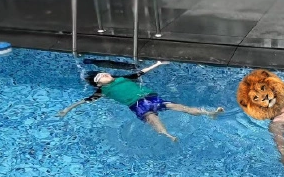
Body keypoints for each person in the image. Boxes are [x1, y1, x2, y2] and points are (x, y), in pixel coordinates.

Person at [58, 61, 224, 142]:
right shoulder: (102, 91)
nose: (105, 74)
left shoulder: (122, 78)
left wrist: (157, 64)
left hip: (150, 97)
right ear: (98, 84)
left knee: (176, 106)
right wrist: (67, 109)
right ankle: (167, 135)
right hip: (138, 105)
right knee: (152, 118)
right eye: (101, 76)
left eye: (104, 73)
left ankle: (209, 113)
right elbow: (84, 101)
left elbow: (141, 73)